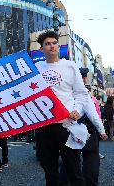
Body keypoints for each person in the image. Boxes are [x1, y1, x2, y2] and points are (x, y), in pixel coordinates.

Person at [35, 30, 89, 186]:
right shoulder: (36, 68)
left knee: (74, 169)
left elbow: (81, 93)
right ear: (42, 49)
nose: (51, 46)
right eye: (47, 44)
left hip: (66, 125)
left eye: (54, 43)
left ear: (58, 46)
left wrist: (77, 110)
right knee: (49, 170)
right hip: (44, 125)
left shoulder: (70, 66)